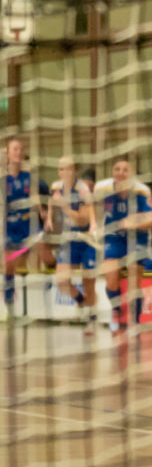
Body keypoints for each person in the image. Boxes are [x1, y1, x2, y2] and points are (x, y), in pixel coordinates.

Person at [94, 158, 152, 331]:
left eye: (125, 170)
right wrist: (94, 223)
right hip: (113, 238)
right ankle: (116, 310)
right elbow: (90, 204)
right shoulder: (102, 188)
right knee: (111, 275)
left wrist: (134, 223)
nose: (121, 173)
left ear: (132, 174)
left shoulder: (142, 191)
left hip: (137, 238)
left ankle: (135, 321)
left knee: (133, 274)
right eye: (117, 169)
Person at [47, 155, 99, 327]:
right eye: (61, 169)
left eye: (68, 168)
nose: (65, 172)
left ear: (74, 170)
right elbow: (50, 199)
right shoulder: (56, 186)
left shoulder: (82, 189)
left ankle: (90, 318)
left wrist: (64, 207)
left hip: (86, 240)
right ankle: (82, 302)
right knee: (62, 281)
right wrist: (48, 217)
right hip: (69, 240)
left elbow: (82, 220)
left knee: (88, 282)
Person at [5, 137, 53, 310]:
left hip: (29, 224)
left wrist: (41, 211)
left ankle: (50, 276)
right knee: (9, 263)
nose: (19, 152)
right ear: (8, 153)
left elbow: (34, 195)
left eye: (21, 149)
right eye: (15, 149)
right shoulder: (3, 177)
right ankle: (9, 293)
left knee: (46, 254)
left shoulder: (29, 175)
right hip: (11, 227)